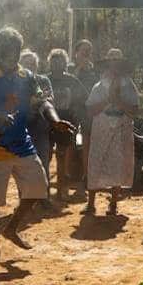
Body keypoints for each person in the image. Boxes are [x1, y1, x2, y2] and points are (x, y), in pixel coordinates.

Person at [0, 27, 76, 264]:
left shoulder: (27, 77)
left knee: (38, 186)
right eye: (10, 50)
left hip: (21, 141)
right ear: (0, 50)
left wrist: (55, 121)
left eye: (17, 50)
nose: (14, 55)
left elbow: (42, 102)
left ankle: (11, 228)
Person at [85, 48, 139, 215]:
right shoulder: (99, 86)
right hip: (101, 126)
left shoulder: (129, 85)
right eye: (111, 63)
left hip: (122, 127)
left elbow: (134, 111)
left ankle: (113, 204)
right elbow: (91, 110)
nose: (114, 67)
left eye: (117, 63)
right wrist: (108, 99)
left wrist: (118, 101)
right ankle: (91, 203)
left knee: (118, 164)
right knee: (96, 161)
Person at [46, 48, 86, 200]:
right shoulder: (44, 80)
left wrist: (76, 115)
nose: (57, 64)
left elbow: (83, 99)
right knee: (47, 156)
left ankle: (61, 191)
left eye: (60, 61)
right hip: (48, 122)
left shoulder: (72, 80)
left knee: (62, 157)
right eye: (54, 61)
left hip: (66, 122)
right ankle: (45, 192)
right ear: (49, 63)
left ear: (65, 63)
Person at [18, 50, 54, 189]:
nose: (30, 66)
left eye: (33, 63)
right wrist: (38, 100)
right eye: (26, 64)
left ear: (37, 65)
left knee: (43, 163)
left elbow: (50, 99)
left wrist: (33, 101)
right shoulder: (16, 81)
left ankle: (45, 198)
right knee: (23, 166)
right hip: (22, 129)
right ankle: (24, 200)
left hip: (41, 128)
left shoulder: (43, 80)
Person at [70, 39, 99, 185]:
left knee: (87, 140)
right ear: (76, 53)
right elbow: (70, 83)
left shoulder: (94, 70)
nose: (87, 53)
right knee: (69, 140)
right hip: (72, 109)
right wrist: (79, 68)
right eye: (84, 50)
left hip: (88, 109)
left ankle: (86, 175)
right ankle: (67, 175)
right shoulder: (69, 68)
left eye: (89, 51)